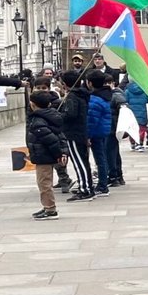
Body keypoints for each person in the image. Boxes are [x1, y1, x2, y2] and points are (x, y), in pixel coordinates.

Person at [26, 91, 64, 219]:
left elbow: (51, 140)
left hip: (43, 155)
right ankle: (47, 206)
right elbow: (60, 135)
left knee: (44, 183)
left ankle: (50, 209)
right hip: (44, 154)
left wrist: (59, 154)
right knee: (44, 182)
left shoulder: (38, 121)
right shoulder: (52, 115)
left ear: (32, 104)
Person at [57, 71, 94, 201]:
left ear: (65, 84)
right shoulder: (82, 94)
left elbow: (71, 114)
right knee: (83, 161)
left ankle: (85, 189)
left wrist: (59, 115)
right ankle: (87, 186)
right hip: (80, 131)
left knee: (79, 162)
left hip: (74, 132)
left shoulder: (72, 96)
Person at [125, 75, 148, 150]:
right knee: (141, 128)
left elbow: (125, 101)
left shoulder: (127, 91)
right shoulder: (145, 91)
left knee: (132, 129)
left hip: (131, 113)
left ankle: (132, 143)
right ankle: (140, 143)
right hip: (143, 112)